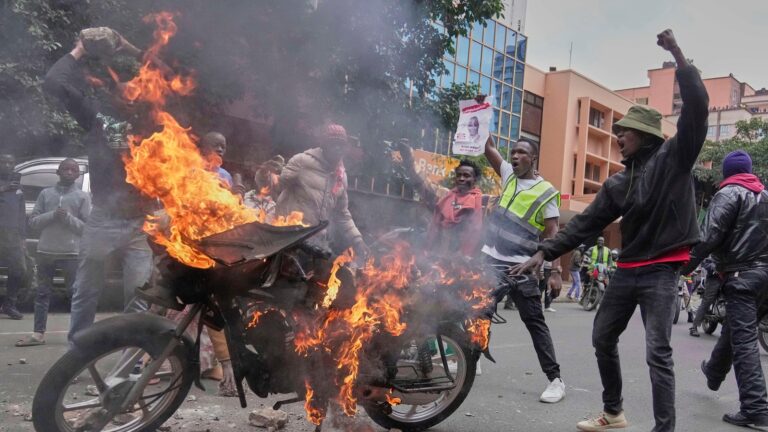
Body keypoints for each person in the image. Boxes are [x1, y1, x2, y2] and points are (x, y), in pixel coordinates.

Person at [513, 30, 708, 432]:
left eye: (625, 131)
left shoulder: (676, 156)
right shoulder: (618, 183)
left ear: (648, 136)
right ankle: (614, 413)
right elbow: (584, 224)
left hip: (663, 269)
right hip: (630, 268)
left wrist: (677, 54)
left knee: (658, 350)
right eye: (616, 130)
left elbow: (698, 108)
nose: (618, 136)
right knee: (602, 336)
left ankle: (664, 428)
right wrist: (544, 253)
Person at [43, 27, 162, 344]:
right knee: (85, 291)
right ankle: (77, 350)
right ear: (112, 92)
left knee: (138, 296)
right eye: (122, 85)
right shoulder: (95, 116)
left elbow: (169, 73)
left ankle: (132, 364)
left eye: (134, 85)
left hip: (140, 220)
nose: (129, 89)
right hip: (103, 217)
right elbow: (54, 83)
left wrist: (128, 45)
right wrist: (80, 49)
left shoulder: (152, 120)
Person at [682, 150, 768, 429]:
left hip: (742, 276)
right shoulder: (765, 195)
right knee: (736, 330)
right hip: (765, 277)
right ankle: (715, 371)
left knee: (743, 342)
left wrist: (683, 267)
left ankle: (756, 408)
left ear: (727, 172)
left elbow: (708, 235)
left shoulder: (729, 193)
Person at [482, 134, 566, 404]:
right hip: (490, 260)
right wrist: (479, 115)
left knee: (534, 322)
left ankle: (555, 380)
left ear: (533, 159)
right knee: (478, 311)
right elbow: (489, 148)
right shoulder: (508, 175)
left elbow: (553, 234)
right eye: (513, 152)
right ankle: (471, 357)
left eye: (521, 153)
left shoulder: (546, 192)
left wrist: (554, 271)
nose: (515, 156)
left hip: (522, 267)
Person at [16, 159, 91, 346]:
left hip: (71, 253)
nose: (69, 172)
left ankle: (77, 336)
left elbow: (86, 229)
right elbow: (33, 222)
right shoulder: (45, 193)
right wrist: (51, 215)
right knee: (42, 293)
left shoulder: (82, 197)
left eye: (73, 170)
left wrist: (67, 218)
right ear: (58, 172)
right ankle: (38, 334)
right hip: (45, 251)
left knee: (75, 294)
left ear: (77, 175)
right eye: (65, 169)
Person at [275, 123, 368, 256]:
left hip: (316, 243)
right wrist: (266, 176)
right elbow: (275, 186)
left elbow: (342, 214)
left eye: (341, 145)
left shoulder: (341, 176)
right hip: (289, 238)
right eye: (333, 144)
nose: (338, 148)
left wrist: (357, 240)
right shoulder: (302, 162)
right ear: (324, 145)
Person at [397, 139, 484, 257]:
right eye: (459, 175)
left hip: (464, 264)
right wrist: (409, 159)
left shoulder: (483, 203)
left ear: (475, 180)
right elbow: (422, 183)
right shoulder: (445, 196)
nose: (462, 178)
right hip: (438, 260)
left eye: (467, 176)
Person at [0, 154, 26, 320]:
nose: (8, 165)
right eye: (4, 162)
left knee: (18, 269)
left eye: (11, 162)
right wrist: (3, 189)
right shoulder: (7, 186)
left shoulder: (17, 188)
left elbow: (22, 214)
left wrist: (23, 237)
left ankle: (9, 304)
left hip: (12, 234)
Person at [689, 256, 721, 337]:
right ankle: (694, 327)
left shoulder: (735, 249)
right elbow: (705, 262)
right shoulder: (716, 251)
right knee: (707, 301)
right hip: (714, 279)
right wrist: (714, 267)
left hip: (729, 278)